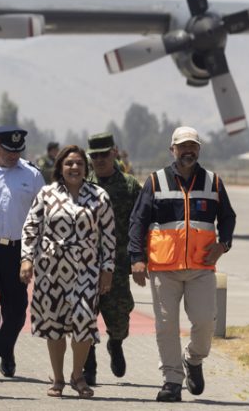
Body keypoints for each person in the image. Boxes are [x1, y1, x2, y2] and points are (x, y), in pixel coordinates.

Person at [128, 126, 237, 403]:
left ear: (199, 149)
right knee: (166, 326)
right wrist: (137, 258)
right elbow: (138, 221)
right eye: (182, 146)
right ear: (172, 150)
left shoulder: (213, 182)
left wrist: (223, 244)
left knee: (204, 322)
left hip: (201, 267)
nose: (188, 151)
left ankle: (193, 359)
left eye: (193, 146)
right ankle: (172, 381)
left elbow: (228, 217)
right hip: (164, 268)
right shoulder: (156, 181)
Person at [20, 144, 116, 399]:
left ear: (86, 168)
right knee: (54, 325)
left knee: (84, 320)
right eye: (69, 163)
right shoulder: (46, 194)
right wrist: (27, 259)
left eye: (79, 164)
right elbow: (31, 227)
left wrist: (108, 269)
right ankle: (59, 377)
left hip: (86, 269)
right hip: (51, 270)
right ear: (60, 168)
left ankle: (78, 374)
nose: (74, 168)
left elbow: (108, 237)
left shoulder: (99, 196)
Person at [0, 125, 45, 383]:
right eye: (7, 149)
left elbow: (42, 217)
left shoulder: (33, 175)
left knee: (16, 309)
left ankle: (6, 348)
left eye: (17, 150)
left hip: (19, 250)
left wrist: (34, 255)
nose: (13, 155)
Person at [82, 132, 142, 387]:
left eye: (104, 154)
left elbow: (141, 222)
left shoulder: (129, 186)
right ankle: (89, 365)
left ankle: (115, 343)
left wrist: (140, 258)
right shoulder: (83, 185)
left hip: (117, 265)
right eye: (94, 156)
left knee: (119, 319)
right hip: (86, 265)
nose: (99, 160)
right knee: (85, 317)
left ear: (114, 153)